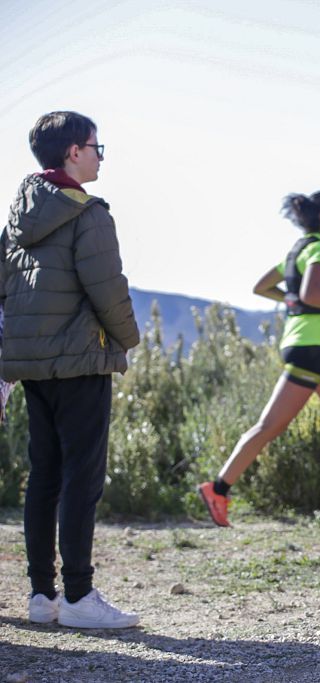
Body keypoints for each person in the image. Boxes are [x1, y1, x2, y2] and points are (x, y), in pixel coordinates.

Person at [1, 111, 140, 628]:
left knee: (45, 478)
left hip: (31, 365)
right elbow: (108, 288)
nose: (100, 155)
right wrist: (129, 339)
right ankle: (80, 598)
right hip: (81, 362)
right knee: (83, 479)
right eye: (96, 146)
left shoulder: (18, 216)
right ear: (72, 153)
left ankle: (42, 597)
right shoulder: (89, 214)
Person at [198, 191, 320, 525]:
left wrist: (292, 300)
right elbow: (311, 293)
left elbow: (262, 287)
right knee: (270, 426)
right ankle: (218, 489)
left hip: (307, 346)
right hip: (308, 347)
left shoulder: (298, 251)